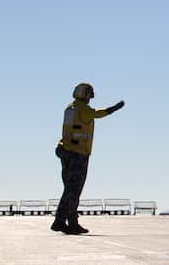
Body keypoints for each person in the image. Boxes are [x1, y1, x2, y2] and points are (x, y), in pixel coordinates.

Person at [52, 82, 124, 234]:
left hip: (65, 152)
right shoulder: (83, 109)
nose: (90, 99)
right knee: (74, 190)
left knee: (70, 189)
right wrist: (114, 109)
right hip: (78, 154)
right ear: (84, 94)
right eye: (89, 95)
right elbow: (97, 114)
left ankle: (70, 222)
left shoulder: (70, 108)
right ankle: (60, 221)